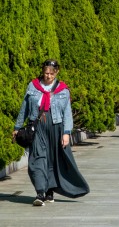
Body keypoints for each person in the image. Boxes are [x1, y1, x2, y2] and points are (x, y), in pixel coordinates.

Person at [13, 59, 90, 206]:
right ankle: (40, 193)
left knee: (53, 159)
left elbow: (67, 113)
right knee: (37, 158)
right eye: (45, 73)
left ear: (56, 73)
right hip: (37, 127)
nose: (48, 76)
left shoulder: (63, 90)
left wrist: (66, 132)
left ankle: (50, 190)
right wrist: (17, 127)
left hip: (56, 126)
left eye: (51, 73)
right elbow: (24, 108)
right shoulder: (32, 86)